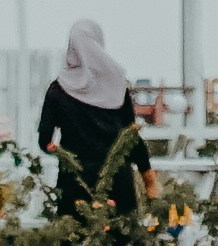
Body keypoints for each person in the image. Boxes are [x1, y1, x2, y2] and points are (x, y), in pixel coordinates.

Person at [36, 18, 140, 203]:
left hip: (75, 183)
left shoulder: (58, 89)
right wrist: (148, 176)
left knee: (74, 231)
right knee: (121, 230)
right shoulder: (117, 83)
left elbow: (45, 140)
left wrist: (64, 155)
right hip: (118, 183)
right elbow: (132, 135)